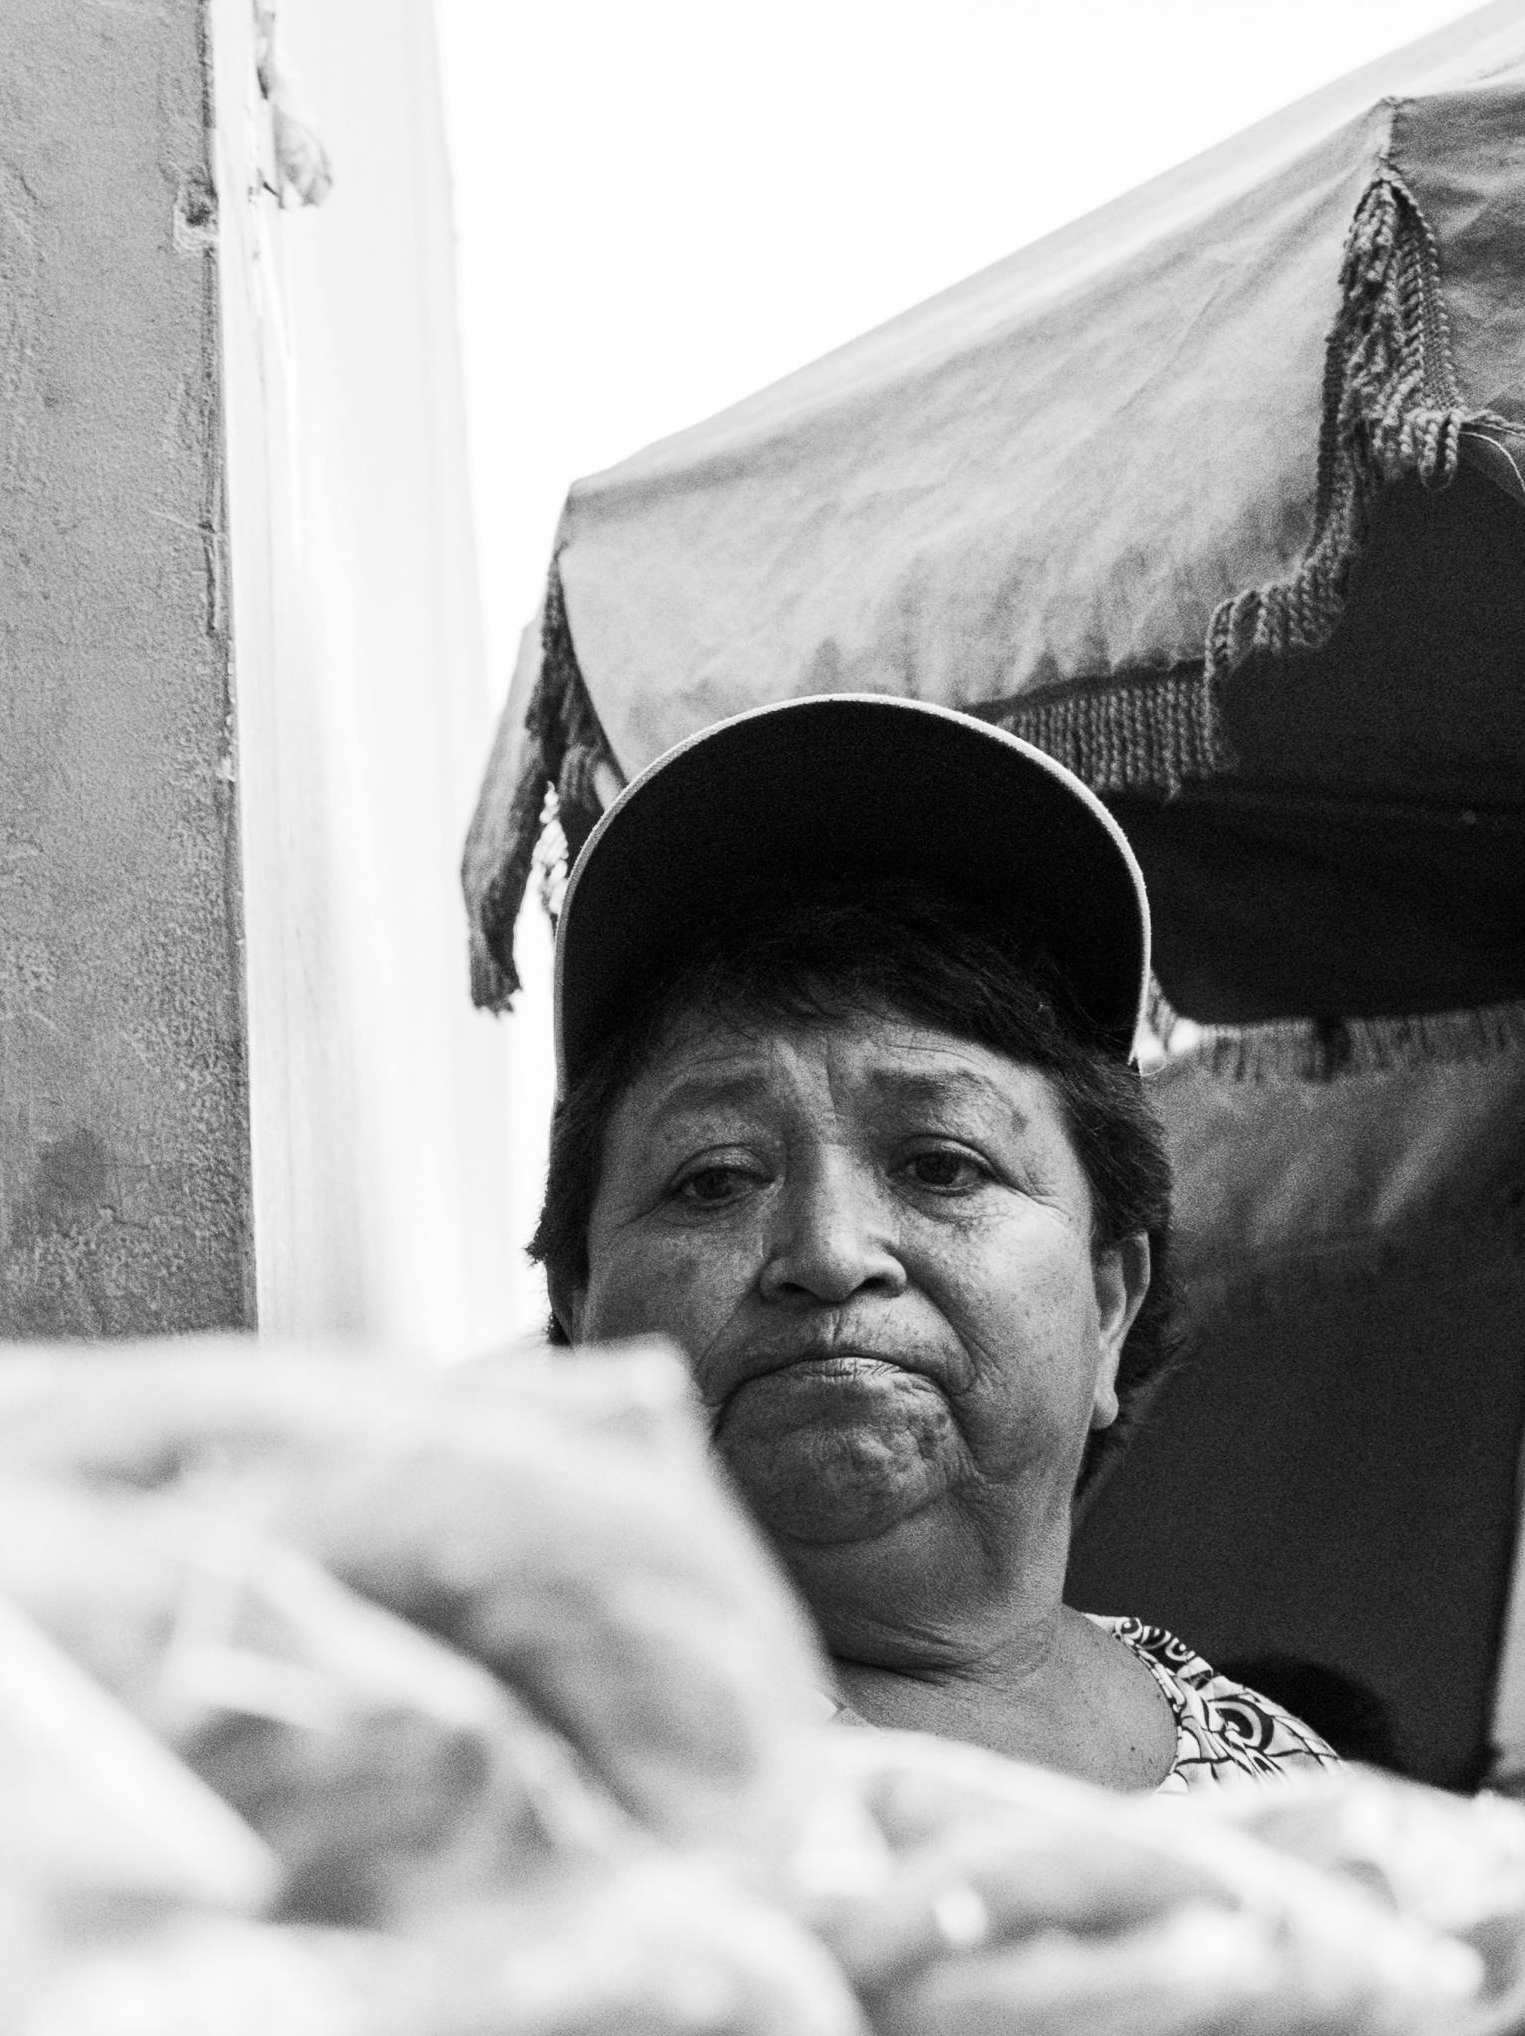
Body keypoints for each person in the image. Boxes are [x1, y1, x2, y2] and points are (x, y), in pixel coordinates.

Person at [530, 695, 1340, 1792]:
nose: (827, 1249)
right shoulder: (509, 1757)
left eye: (942, 1165)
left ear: (1109, 1302)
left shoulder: (1294, 1789)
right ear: (580, 1305)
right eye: (712, 1176)